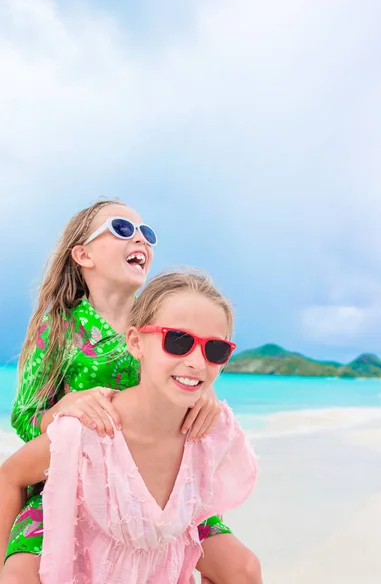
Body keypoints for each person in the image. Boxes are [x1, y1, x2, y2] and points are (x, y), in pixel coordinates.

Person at [0, 200, 262, 583]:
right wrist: (65, 409)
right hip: (77, 479)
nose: (140, 237)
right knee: (23, 571)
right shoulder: (58, 326)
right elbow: (24, 415)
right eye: (122, 228)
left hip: (159, 476)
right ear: (83, 254)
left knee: (242, 569)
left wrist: (203, 396)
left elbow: (191, 363)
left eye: (147, 233)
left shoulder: (163, 318)